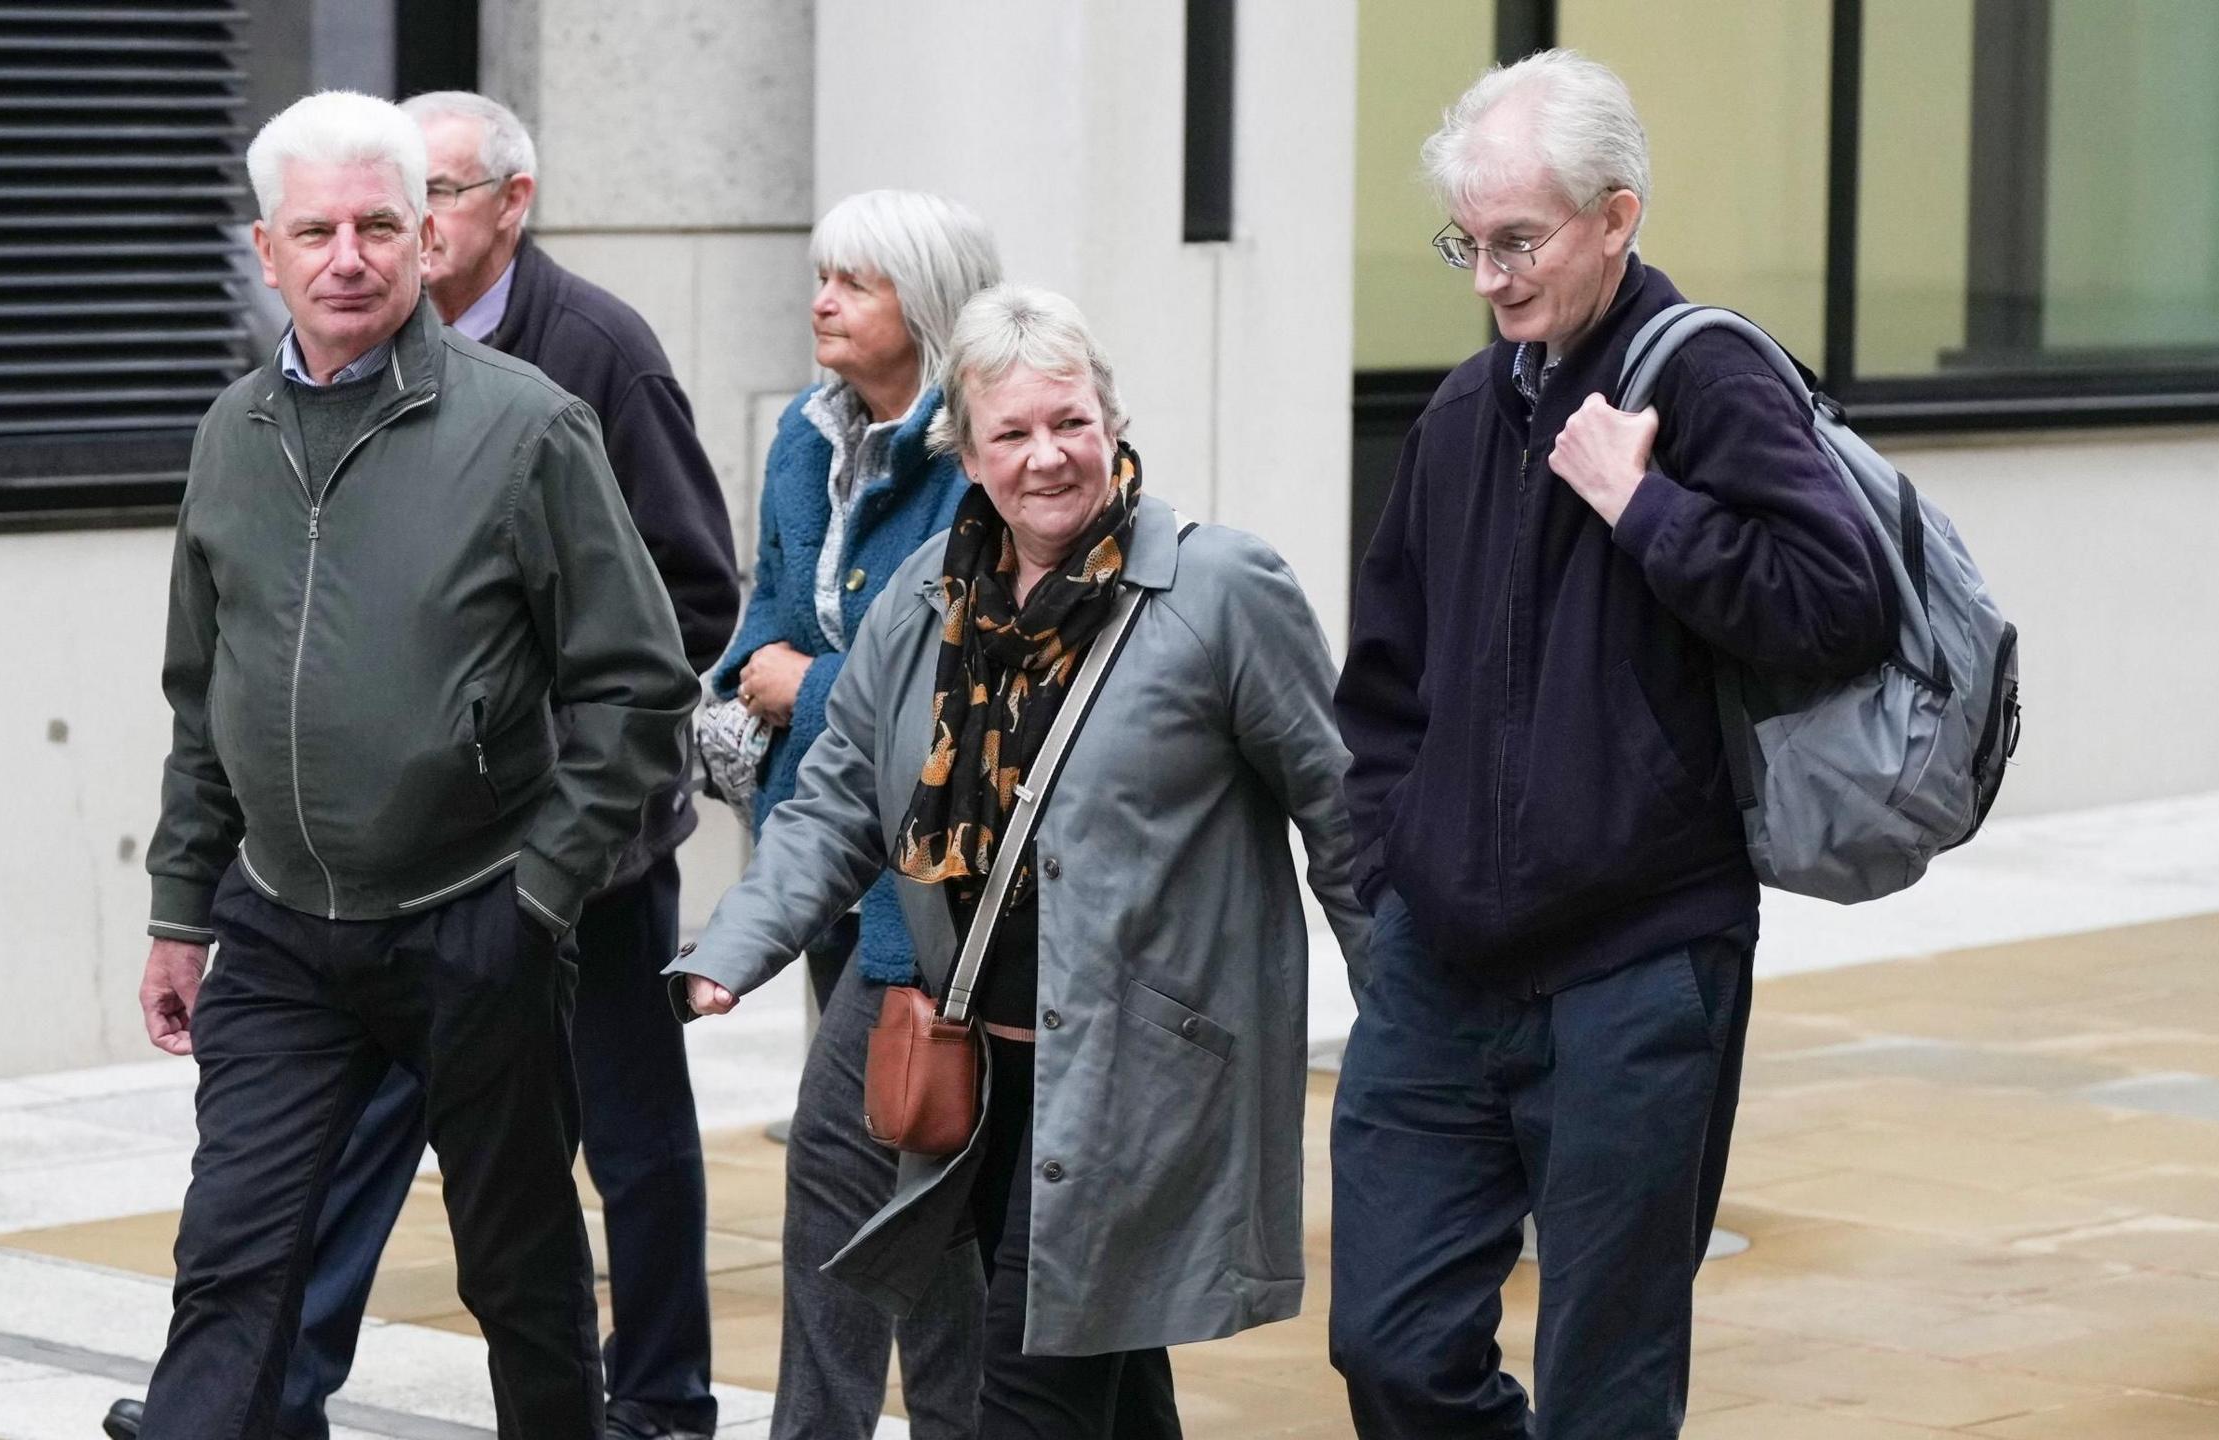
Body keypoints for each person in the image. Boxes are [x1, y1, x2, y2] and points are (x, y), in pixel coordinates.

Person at [104, 91, 739, 1440]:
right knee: (232, 1261)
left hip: (478, 917)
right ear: (265, 251)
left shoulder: (531, 427)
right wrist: (179, 908)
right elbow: (202, 694)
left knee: (518, 1270)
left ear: (425, 239)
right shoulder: (230, 439)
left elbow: (637, 678)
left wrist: (545, 893)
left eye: (380, 224)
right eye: (317, 229)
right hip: (280, 933)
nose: (350, 254)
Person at [674, 285, 1369, 1439]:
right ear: (968, 451)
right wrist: (738, 948)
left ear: (1113, 422)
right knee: (1111, 1380)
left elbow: (1343, 814)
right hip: (984, 1087)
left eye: (1071, 422)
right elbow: (840, 801)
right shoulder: (925, 601)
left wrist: (1406, 1016)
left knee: (1028, 1394)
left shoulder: (1219, 591)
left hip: (1137, 1090)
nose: (1048, 457)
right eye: (1013, 433)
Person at [1328, 51, 1898, 1439]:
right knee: (1390, 1342)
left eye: (1517, 242)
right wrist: (1386, 875)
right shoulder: (1468, 410)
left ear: (1616, 216)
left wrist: (1645, 510)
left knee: (1609, 1382)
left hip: (1638, 969)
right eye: (1467, 242)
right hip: (1441, 969)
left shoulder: (1705, 378)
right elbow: (1388, 685)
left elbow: (1840, 603)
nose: (1488, 279)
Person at [702, 188, 1000, 1440]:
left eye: (857, 283)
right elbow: (768, 604)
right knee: (892, 1171)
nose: (822, 299)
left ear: (924, 307)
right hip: (821, 845)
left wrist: (804, 687)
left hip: (928, 886)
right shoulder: (803, 436)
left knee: (879, 1172)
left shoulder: (976, 452)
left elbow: (961, 669)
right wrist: (748, 683)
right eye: (822, 274)